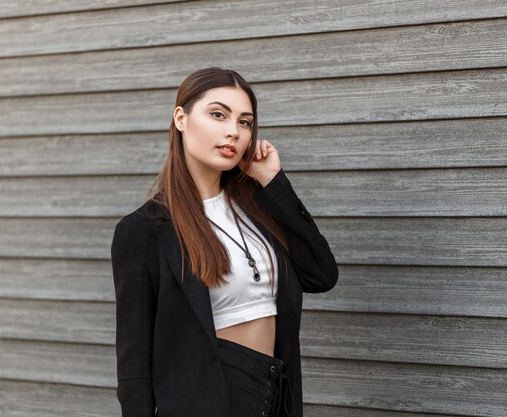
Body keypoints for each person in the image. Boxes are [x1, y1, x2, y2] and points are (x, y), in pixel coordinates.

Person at [110, 67, 338, 417]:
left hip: (274, 394)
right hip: (208, 402)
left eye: (245, 122)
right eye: (218, 114)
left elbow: (321, 275)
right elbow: (135, 365)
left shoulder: (258, 207)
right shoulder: (144, 230)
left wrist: (273, 181)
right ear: (181, 118)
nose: (233, 131)